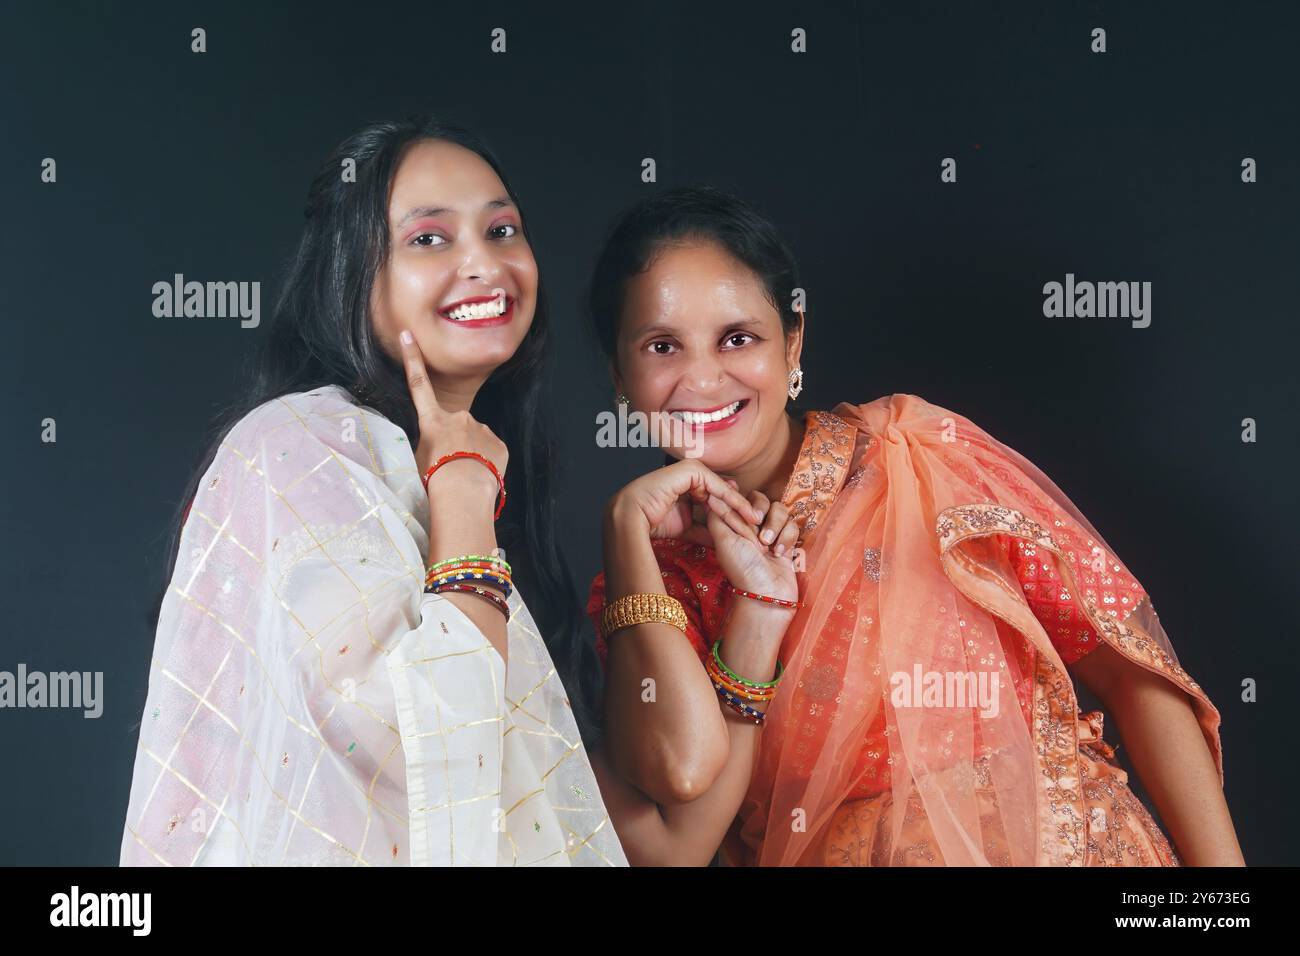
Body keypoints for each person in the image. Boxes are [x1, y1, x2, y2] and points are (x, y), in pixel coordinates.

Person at [584, 185, 1242, 866]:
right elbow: (677, 792)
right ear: (619, 377)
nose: (702, 379)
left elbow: (1134, 673)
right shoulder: (650, 584)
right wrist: (629, 529)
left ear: (794, 341)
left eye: (738, 338)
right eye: (663, 346)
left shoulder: (917, 455)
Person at [119, 117, 626, 866]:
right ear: (350, 275)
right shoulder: (298, 444)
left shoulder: (460, 462)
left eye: (502, 229)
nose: (484, 264)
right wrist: (460, 492)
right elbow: (400, 742)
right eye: (429, 238)